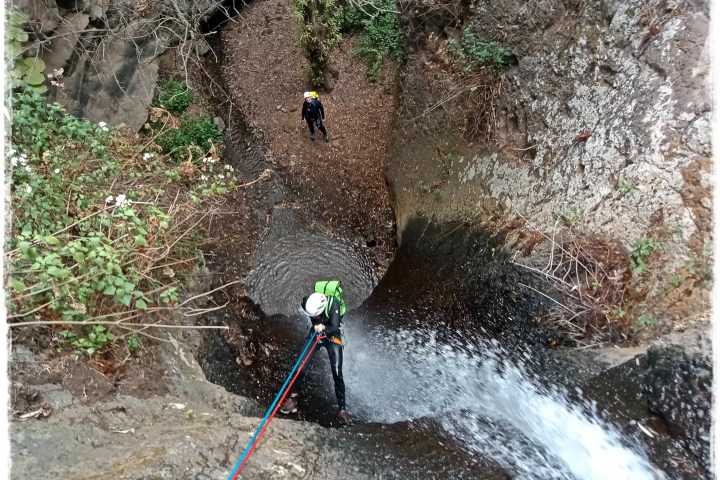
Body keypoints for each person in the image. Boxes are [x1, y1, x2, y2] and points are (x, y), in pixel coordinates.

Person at [279, 291, 349, 425]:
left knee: (337, 372)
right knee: (300, 365)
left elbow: (334, 326)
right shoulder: (307, 301)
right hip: (316, 331)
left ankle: (342, 409)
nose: (315, 316)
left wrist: (324, 327)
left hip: (332, 334)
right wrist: (316, 326)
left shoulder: (333, 304)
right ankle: (293, 399)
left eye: (316, 314)